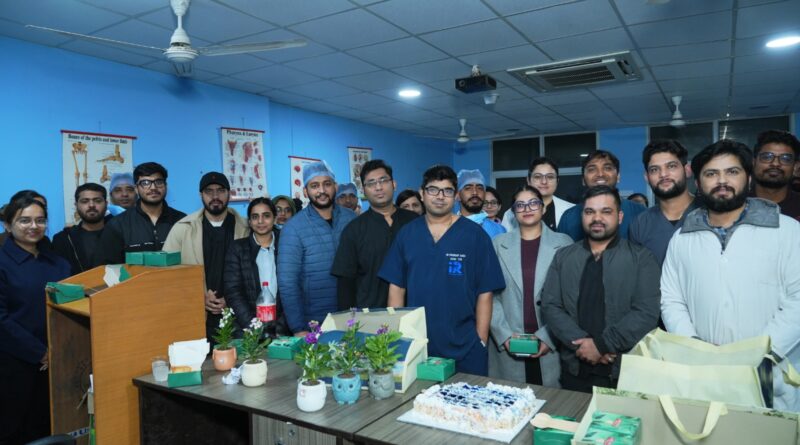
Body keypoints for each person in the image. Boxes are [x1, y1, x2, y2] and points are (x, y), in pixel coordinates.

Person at [661, 139, 800, 411]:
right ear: (698, 183)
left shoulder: (788, 231)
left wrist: (757, 353)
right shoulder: (682, 238)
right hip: (703, 371)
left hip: (770, 372)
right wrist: (694, 347)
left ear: (748, 178)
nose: (722, 181)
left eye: (732, 172)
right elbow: (671, 299)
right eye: (711, 174)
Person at [379, 165, 505, 376]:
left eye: (447, 191)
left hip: (466, 346)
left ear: (456, 196)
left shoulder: (475, 236)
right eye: (433, 190)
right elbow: (396, 289)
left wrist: (480, 340)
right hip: (417, 345)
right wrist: (396, 339)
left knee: (469, 397)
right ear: (422, 193)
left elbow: (485, 292)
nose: (440, 196)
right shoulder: (407, 234)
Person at [541, 186, 661, 393]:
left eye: (606, 211)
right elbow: (551, 306)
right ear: (582, 216)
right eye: (590, 212)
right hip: (574, 370)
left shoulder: (642, 258)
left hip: (624, 373)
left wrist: (602, 345)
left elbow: (646, 312)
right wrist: (583, 345)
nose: (597, 218)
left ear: (620, 217)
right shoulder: (564, 257)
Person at [0, 195, 71, 444]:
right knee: (14, 429)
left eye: (40, 220)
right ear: (8, 225)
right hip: (13, 364)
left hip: (57, 362)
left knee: (51, 426)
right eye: (25, 220)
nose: (34, 226)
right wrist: (40, 352)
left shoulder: (59, 264)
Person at [489, 185, 572, 387]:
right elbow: (489, 296)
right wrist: (504, 335)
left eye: (533, 203)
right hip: (508, 341)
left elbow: (571, 298)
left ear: (543, 208)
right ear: (513, 212)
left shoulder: (565, 243)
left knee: (552, 402)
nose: (527, 209)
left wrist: (548, 337)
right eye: (520, 205)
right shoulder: (497, 244)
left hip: (551, 343)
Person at [163, 172, 248, 342]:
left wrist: (231, 299)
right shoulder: (183, 228)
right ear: (200, 195)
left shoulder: (245, 227)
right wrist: (198, 297)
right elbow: (167, 275)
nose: (215, 196)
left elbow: (256, 273)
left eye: (220, 190)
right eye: (209, 191)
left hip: (238, 316)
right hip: (194, 315)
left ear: (229, 193)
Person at [278, 161, 356, 335]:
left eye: (327, 184)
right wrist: (298, 328)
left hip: (352, 317)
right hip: (313, 321)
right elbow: (288, 283)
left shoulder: (351, 219)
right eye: (314, 186)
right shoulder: (293, 228)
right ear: (305, 191)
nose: (322, 190)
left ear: (335, 187)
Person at [332, 160, 417, 310]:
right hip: (370, 314)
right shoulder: (354, 230)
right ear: (364, 191)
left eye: (383, 180)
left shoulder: (414, 222)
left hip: (413, 310)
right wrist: (349, 320)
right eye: (371, 183)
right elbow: (345, 284)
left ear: (394, 184)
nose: (378, 187)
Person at [95, 162, 185, 265]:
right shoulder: (118, 224)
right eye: (145, 183)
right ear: (136, 189)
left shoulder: (182, 221)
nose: (153, 187)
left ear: (165, 186)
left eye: (159, 182)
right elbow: (106, 267)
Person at [224, 197, 289, 337]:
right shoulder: (237, 249)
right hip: (248, 330)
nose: (260, 221)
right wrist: (254, 327)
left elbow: (295, 289)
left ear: (274, 218)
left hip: (284, 329)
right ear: (249, 221)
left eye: (266, 216)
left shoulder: (287, 245)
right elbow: (233, 292)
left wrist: (280, 327)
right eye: (255, 217)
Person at [628, 140, 697, 264]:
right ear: (646, 177)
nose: (663, 174)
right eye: (654, 169)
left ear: (687, 170)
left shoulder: (710, 213)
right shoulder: (640, 224)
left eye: (671, 166)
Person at [557, 151, 646, 241]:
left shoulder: (640, 213)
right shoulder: (568, 218)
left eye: (607, 168)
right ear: (583, 180)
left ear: (618, 176)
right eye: (592, 169)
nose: (600, 174)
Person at [502, 158, 574, 232]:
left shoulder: (572, 211)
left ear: (557, 181)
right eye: (538, 177)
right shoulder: (510, 214)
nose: (544, 181)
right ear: (528, 180)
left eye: (550, 177)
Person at [52, 183, 109, 275]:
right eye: (85, 201)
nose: (91, 205)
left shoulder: (119, 235)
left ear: (106, 204)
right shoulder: (63, 239)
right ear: (76, 205)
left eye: (97, 201)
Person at [751, 130, 800, 220]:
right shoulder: (736, 204)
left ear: (795, 166)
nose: (775, 164)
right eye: (767, 157)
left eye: (785, 158)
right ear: (754, 162)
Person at [456, 169, 506, 239]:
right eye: (468, 188)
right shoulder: (448, 229)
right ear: (457, 195)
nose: (475, 192)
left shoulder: (499, 230)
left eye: (480, 188)